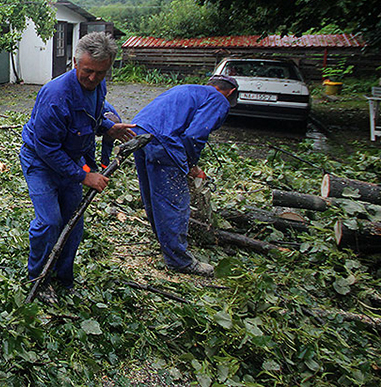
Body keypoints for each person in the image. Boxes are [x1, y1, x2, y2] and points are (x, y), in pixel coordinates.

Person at [20, 32, 136, 300]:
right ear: (75, 63)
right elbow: (47, 148)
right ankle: (38, 278)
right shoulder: (55, 95)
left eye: (101, 73)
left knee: (73, 223)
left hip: (71, 159)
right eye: (88, 71)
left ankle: (64, 275)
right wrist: (84, 177)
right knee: (49, 222)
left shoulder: (98, 87)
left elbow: (90, 118)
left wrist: (109, 127)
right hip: (41, 161)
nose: (93, 79)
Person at [131, 74, 239, 277]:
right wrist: (191, 165)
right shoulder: (218, 99)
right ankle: (178, 260)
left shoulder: (189, 90)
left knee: (154, 197)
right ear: (230, 92)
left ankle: (166, 244)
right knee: (175, 202)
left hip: (139, 132)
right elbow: (195, 135)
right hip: (163, 141)